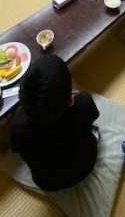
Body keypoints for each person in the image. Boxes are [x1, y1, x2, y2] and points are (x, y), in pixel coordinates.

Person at [10, 55, 99, 191]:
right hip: (87, 163)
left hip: (47, 182)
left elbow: (16, 149)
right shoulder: (83, 103)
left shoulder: (18, 129)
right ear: (70, 100)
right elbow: (93, 115)